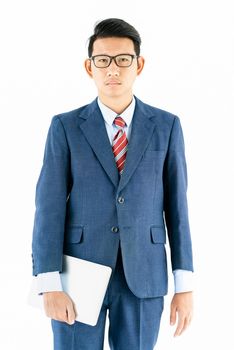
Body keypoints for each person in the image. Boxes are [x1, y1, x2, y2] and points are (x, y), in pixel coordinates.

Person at [31, 18, 194, 350]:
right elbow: (48, 209)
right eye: (103, 60)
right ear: (89, 67)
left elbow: (177, 209)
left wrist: (185, 285)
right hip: (77, 275)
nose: (113, 69)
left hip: (143, 276)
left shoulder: (166, 126)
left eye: (123, 59)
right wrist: (48, 282)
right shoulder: (65, 127)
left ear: (139, 64)